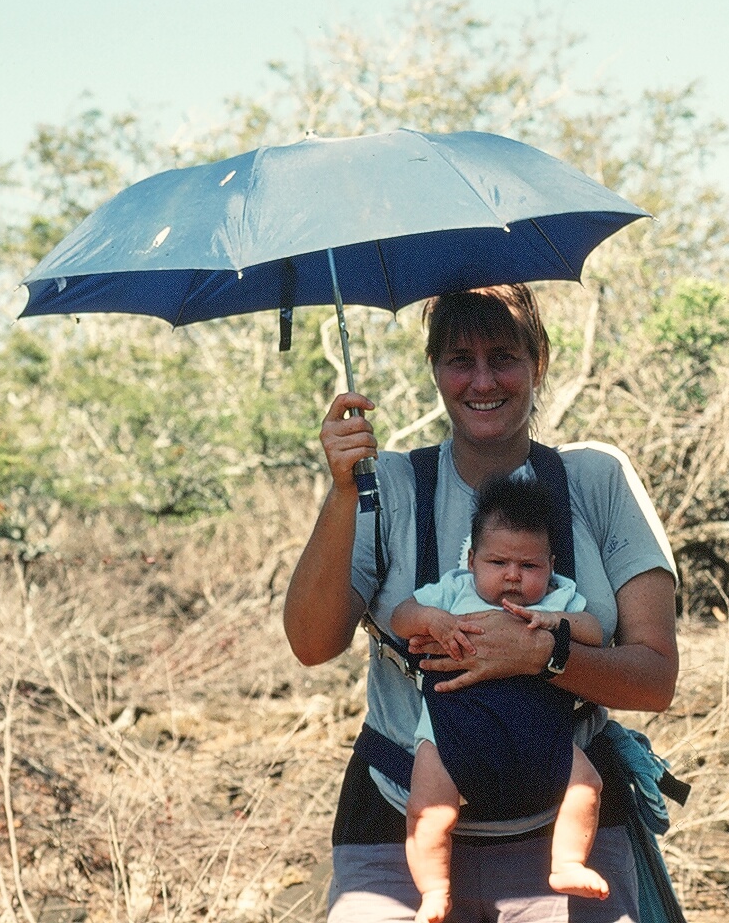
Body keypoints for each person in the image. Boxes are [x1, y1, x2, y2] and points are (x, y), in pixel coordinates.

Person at [283, 283, 678, 923]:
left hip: (565, 836)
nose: (483, 379)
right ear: (436, 371)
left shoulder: (598, 481)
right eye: (460, 359)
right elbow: (310, 644)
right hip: (400, 819)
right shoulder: (387, 488)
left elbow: (656, 680)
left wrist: (542, 657)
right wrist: (341, 492)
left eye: (504, 356)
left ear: (538, 363)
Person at [390, 474, 609, 923]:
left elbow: (594, 632)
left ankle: (567, 862)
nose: (513, 575)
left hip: (538, 733)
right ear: (471, 559)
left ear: (550, 565)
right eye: (497, 562)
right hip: (452, 732)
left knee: (586, 786)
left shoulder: (559, 597)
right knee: (428, 810)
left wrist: (554, 624)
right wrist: (432, 621)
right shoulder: (452, 591)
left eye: (529, 566)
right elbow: (401, 617)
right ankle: (434, 887)